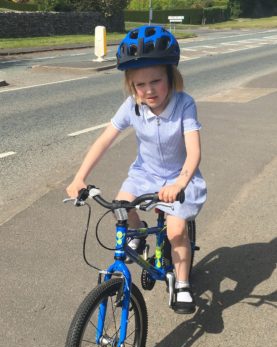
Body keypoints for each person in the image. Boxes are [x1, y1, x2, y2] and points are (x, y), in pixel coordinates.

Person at [66, 25, 207, 314]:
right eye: (140, 85)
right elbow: (105, 140)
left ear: (171, 76)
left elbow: (194, 151)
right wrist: (80, 177)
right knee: (120, 204)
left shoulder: (184, 104)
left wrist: (180, 184)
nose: (148, 90)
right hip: (145, 173)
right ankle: (138, 231)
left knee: (176, 231)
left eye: (156, 81)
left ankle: (181, 283)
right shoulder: (132, 105)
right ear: (131, 86)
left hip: (180, 176)